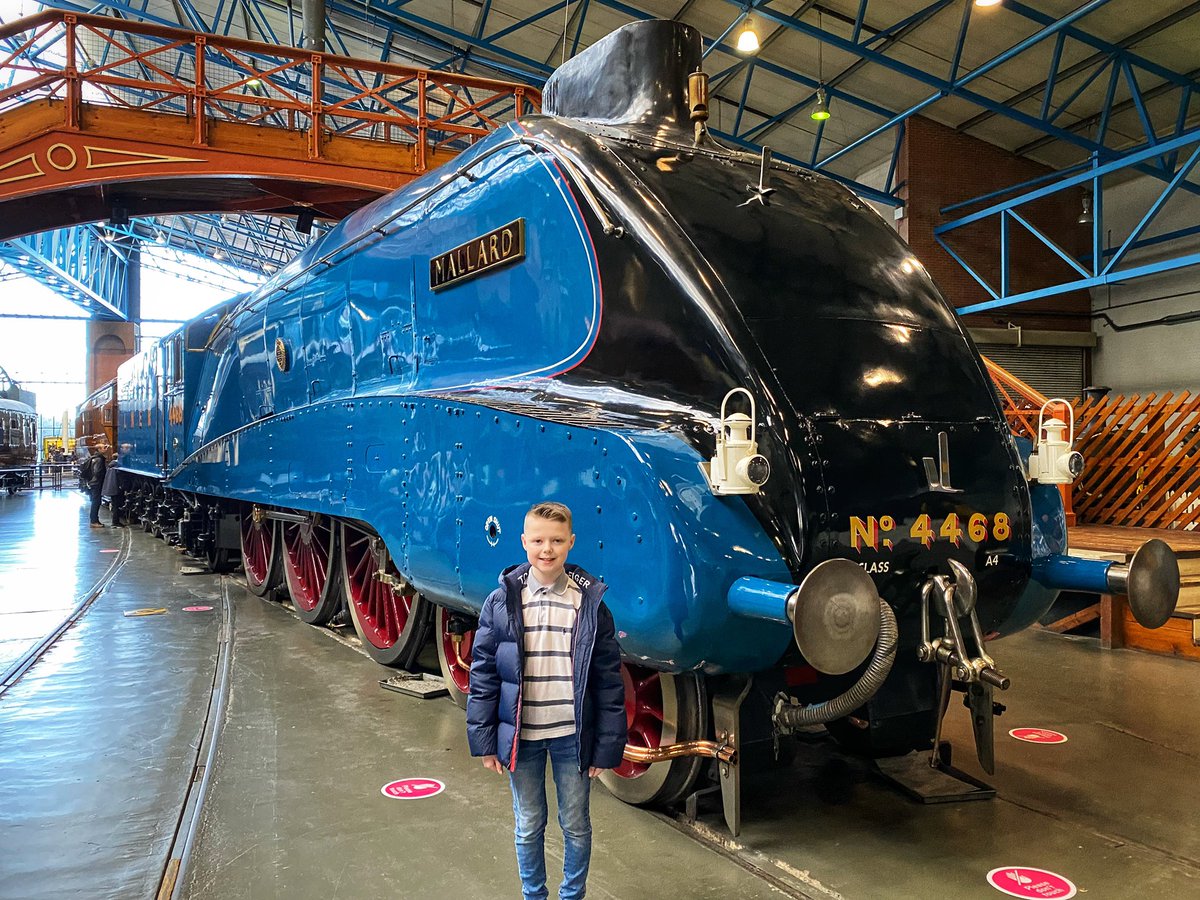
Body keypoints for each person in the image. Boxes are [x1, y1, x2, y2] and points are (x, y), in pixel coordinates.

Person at [467, 501, 627, 900]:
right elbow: (484, 672)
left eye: (557, 541)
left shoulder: (588, 603)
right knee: (528, 822)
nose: (547, 549)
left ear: (571, 543)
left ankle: (572, 895)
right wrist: (487, 741)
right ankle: (533, 895)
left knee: (576, 823)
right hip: (523, 737)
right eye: (538, 540)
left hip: (573, 737)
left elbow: (608, 682)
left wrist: (605, 748)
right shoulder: (502, 602)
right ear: (523, 542)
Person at [82, 440, 108, 527]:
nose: (106, 449)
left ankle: (95, 520)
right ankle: (94, 521)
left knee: (95, 501)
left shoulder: (94, 458)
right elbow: (97, 472)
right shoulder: (99, 459)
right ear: (99, 450)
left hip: (93, 483)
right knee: (96, 502)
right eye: (104, 447)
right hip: (96, 483)